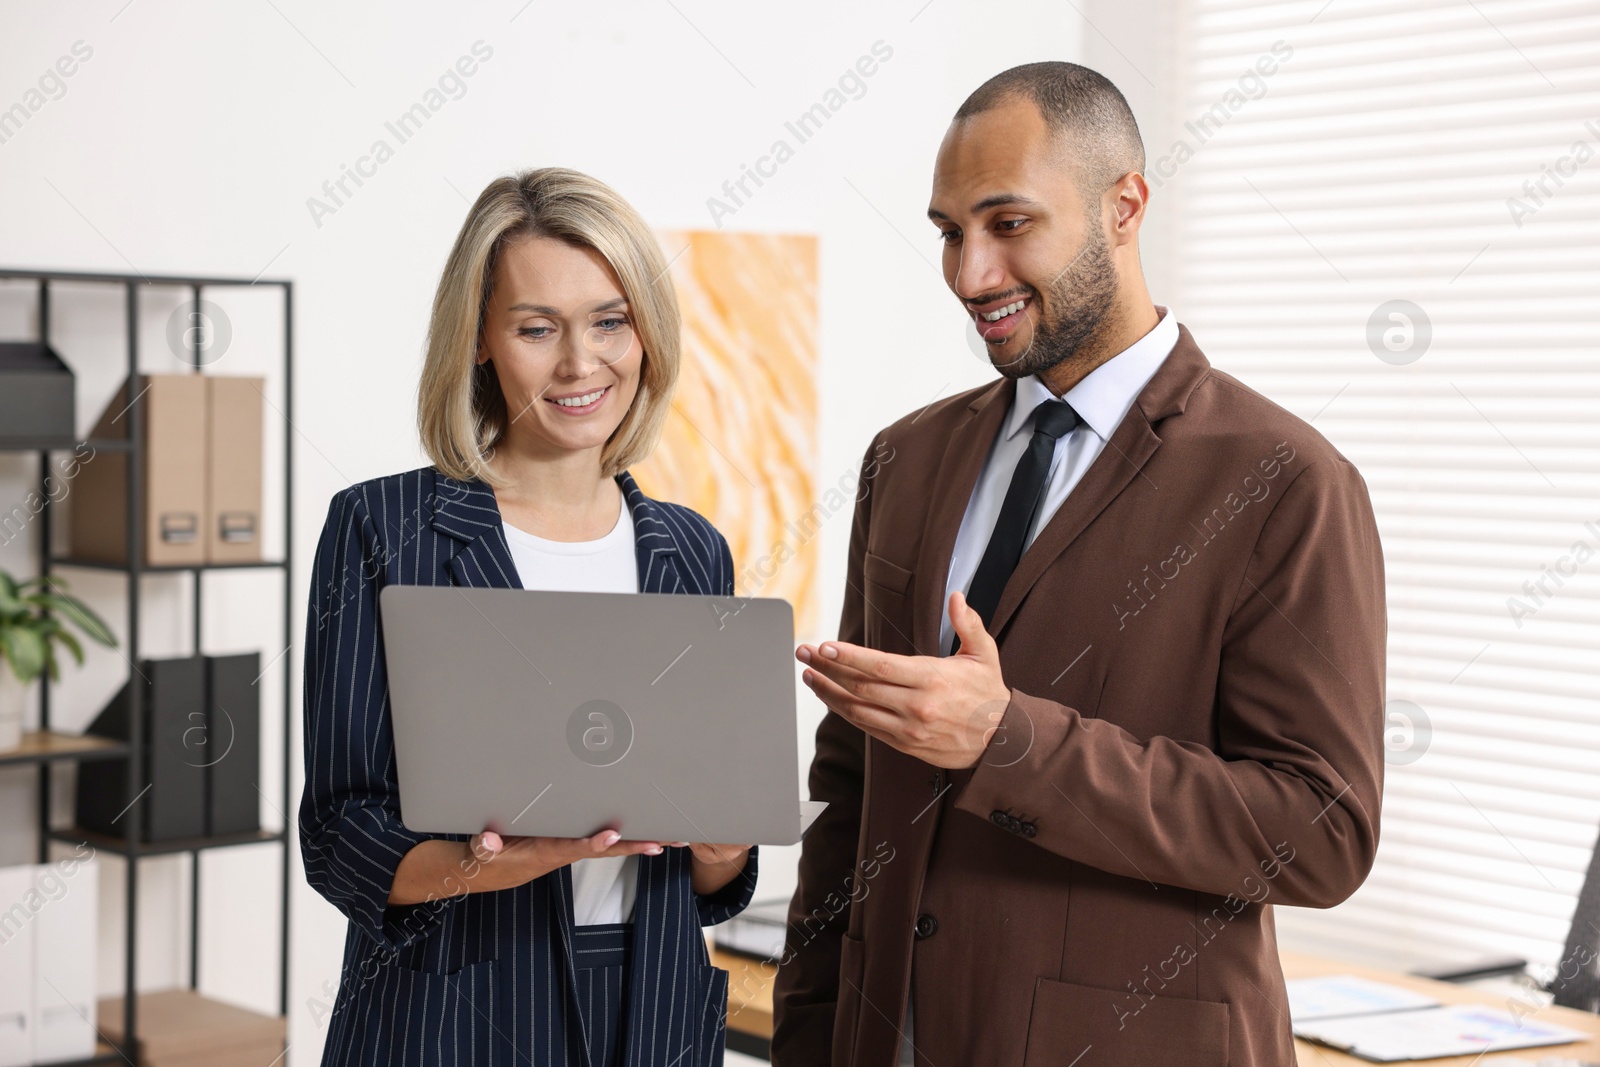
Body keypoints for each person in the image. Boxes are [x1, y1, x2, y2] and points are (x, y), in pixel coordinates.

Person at [771, 62, 1386, 1067]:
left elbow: (1319, 832)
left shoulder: (1286, 481)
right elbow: (850, 786)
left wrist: (1008, 740)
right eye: (948, 233)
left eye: (1008, 223)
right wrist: (810, 1036)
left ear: (1123, 207)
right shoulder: (906, 458)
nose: (970, 274)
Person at [300, 167, 756, 1067]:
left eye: (610, 321)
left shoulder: (692, 549)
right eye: (537, 328)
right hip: (455, 1006)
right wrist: (503, 858)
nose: (581, 363)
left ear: (646, 333)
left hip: (652, 1011)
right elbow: (339, 834)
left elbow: (711, 882)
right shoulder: (383, 530)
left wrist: (726, 840)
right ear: (479, 340)